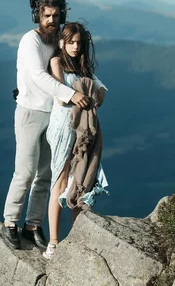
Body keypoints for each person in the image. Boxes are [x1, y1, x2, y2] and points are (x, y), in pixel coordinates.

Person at [1, 0, 102, 250]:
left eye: (56, 15)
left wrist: (100, 89)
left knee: (46, 174)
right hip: (31, 112)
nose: (51, 20)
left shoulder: (59, 39)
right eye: (46, 15)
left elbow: (79, 66)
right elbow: (37, 75)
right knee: (24, 171)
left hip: (56, 118)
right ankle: (10, 221)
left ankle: (33, 225)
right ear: (37, 15)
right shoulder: (30, 41)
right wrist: (71, 95)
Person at [42, 21, 109, 260]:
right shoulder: (56, 62)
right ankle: (53, 243)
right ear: (62, 41)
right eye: (71, 42)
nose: (75, 46)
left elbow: (100, 88)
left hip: (81, 130)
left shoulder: (83, 68)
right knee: (59, 182)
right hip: (62, 128)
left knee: (79, 182)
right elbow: (61, 96)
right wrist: (80, 95)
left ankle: (76, 239)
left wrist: (98, 93)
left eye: (78, 43)